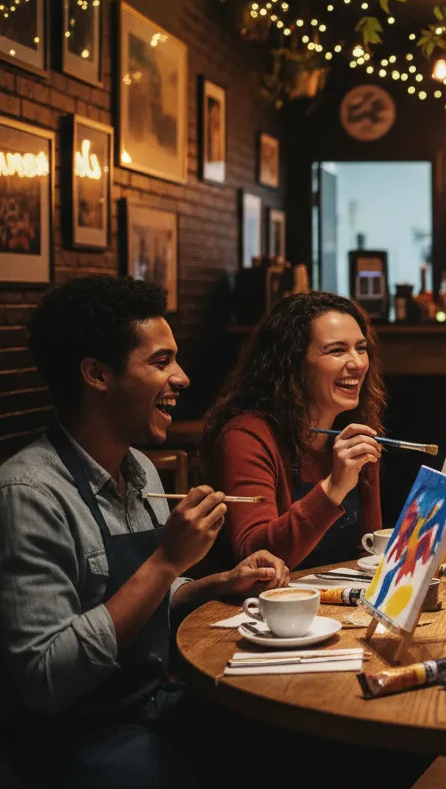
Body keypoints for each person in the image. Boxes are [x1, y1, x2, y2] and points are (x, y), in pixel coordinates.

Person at [0, 275, 289, 787]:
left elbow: (152, 599)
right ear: (96, 374)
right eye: (160, 362)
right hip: (70, 737)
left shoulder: (138, 470)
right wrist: (165, 562)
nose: (182, 378)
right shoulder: (29, 494)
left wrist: (217, 583)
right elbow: (47, 678)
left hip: (149, 703)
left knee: (288, 739)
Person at [200, 291, 386, 569]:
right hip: (260, 608)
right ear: (292, 363)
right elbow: (257, 558)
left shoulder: (354, 436)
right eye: (337, 350)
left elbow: (369, 550)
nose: (358, 363)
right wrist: (333, 488)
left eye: (361, 348)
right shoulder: (246, 436)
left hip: (339, 603)